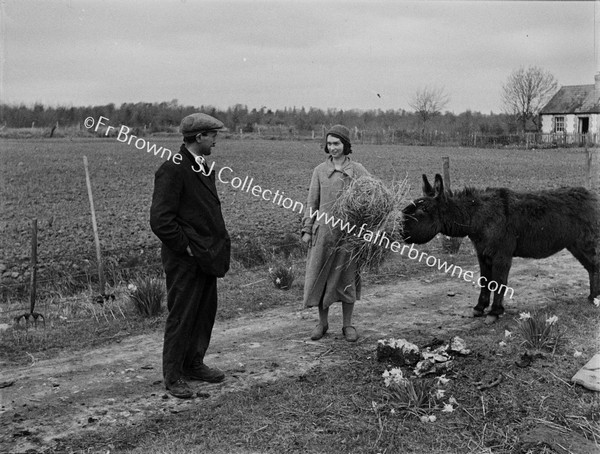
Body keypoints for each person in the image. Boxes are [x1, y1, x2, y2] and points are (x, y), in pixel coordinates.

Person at [150, 112, 231, 399]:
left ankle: (194, 363)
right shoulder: (173, 168)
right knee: (182, 315)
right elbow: (161, 220)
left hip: (206, 256)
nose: (216, 140)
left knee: (203, 313)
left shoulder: (202, 166)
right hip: (186, 258)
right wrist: (186, 247)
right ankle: (173, 376)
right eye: (212, 135)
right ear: (199, 138)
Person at [301, 125, 369, 342]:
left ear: (345, 145)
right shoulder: (319, 171)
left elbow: (373, 194)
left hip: (350, 236)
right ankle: (322, 323)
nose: (332, 148)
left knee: (348, 279)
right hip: (324, 236)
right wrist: (307, 230)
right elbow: (312, 203)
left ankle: (348, 325)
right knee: (321, 278)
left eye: (336, 143)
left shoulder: (358, 170)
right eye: (329, 144)